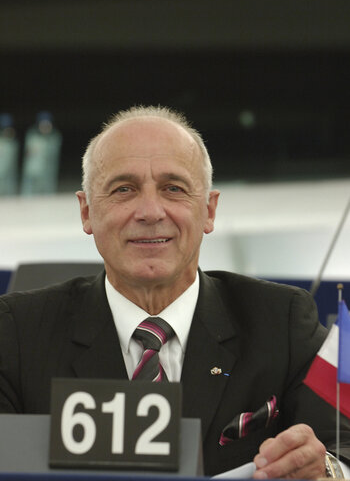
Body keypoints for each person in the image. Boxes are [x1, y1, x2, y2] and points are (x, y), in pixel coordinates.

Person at [0, 105, 349, 478]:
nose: (151, 211)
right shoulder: (15, 333)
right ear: (86, 212)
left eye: (173, 188)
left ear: (209, 210)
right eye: (124, 189)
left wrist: (325, 470)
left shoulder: (282, 321)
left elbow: (341, 447)